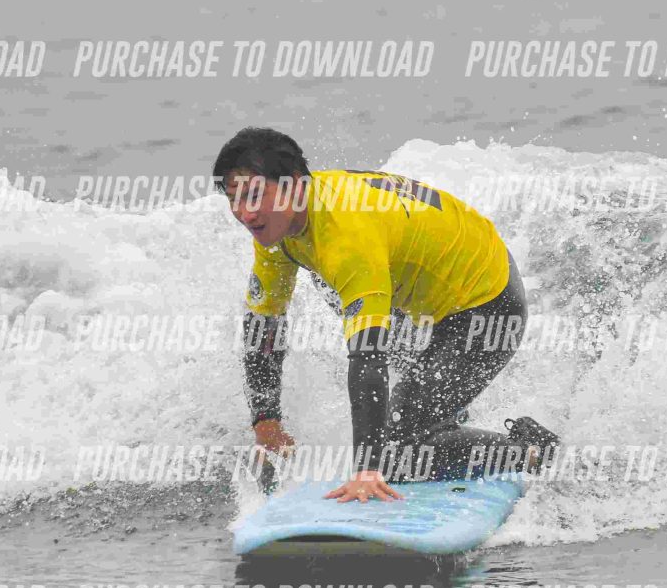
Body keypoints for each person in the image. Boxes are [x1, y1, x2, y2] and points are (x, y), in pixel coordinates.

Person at [214, 127, 558, 502]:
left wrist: (368, 471)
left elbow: (368, 358)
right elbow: (264, 323)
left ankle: (530, 450)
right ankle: (439, 420)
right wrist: (266, 421)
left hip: (488, 303)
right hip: (424, 284)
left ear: (294, 185)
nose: (244, 213)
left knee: (396, 453)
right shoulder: (280, 225)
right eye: (234, 199)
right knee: (330, 286)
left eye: (254, 196)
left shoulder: (347, 238)